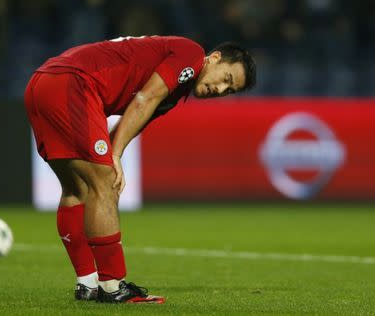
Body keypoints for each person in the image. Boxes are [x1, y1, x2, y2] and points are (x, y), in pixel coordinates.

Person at [23, 35, 256, 304]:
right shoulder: (191, 53)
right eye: (226, 78)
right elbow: (144, 99)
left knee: (78, 189)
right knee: (105, 184)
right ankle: (113, 286)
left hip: (43, 83)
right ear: (214, 58)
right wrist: (115, 155)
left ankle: (87, 283)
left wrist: (112, 149)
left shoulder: (177, 90)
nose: (221, 89)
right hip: (73, 83)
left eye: (229, 90)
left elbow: (137, 117)